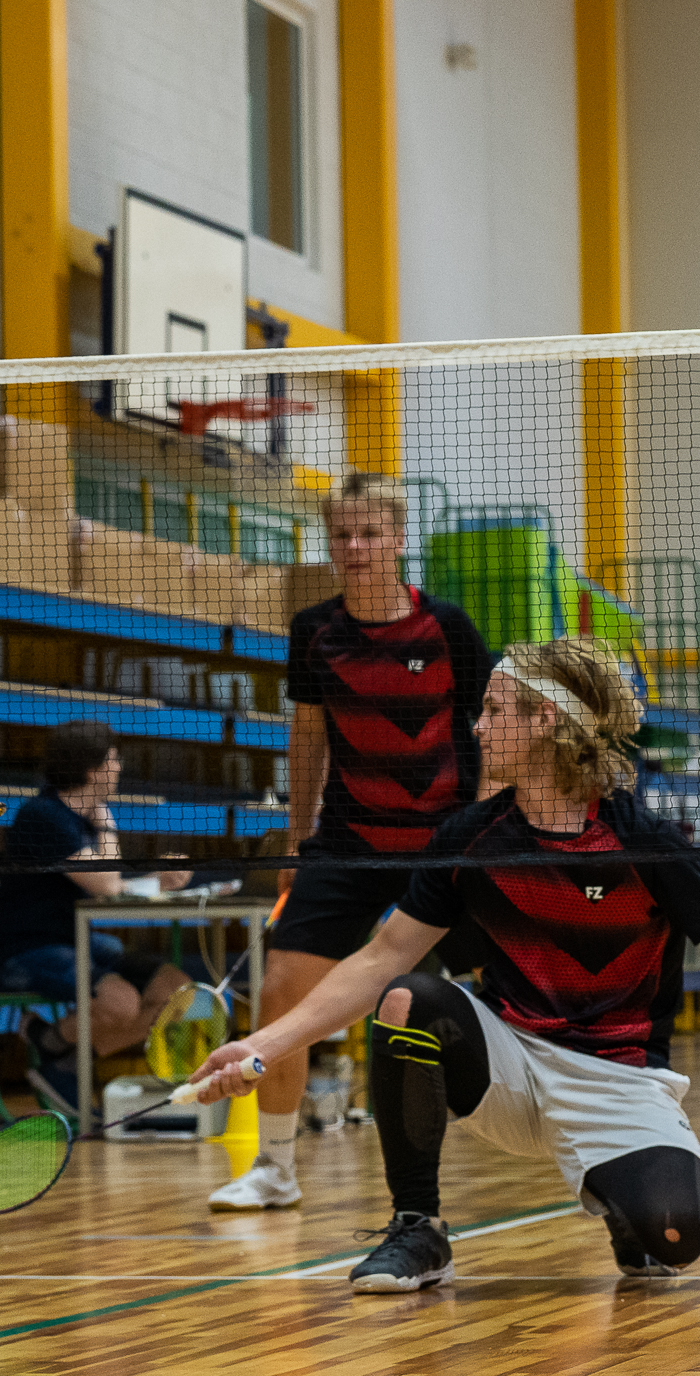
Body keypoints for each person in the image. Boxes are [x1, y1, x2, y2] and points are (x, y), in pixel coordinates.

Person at [189, 637, 700, 1290]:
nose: (477, 727)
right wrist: (260, 1046)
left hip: (621, 1079)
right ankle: (418, 1226)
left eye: (493, 709)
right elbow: (380, 958)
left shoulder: (641, 841)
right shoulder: (470, 839)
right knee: (406, 998)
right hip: (510, 1064)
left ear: (545, 718)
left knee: (674, 1238)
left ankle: (625, 1208)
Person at [205, 474, 493, 1213]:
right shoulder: (315, 630)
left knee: (510, 989)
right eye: (342, 534)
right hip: (347, 843)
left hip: (444, 845)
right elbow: (308, 737)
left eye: (370, 533)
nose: (355, 546)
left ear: (398, 539)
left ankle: (572, 1134)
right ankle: (275, 1168)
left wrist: (488, 830)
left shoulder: (448, 628)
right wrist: (299, 838)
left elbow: (493, 733)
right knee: (281, 992)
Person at [0, 720, 192, 1108]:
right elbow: (106, 886)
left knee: (176, 992)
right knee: (121, 1003)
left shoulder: (82, 819)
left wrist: (158, 881)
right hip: (25, 950)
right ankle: (51, 1042)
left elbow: (108, 885)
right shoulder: (43, 816)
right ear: (91, 768)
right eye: (113, 759)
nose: (119, 767)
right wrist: (108, 827)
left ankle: (60, 1053)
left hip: (72, 939)